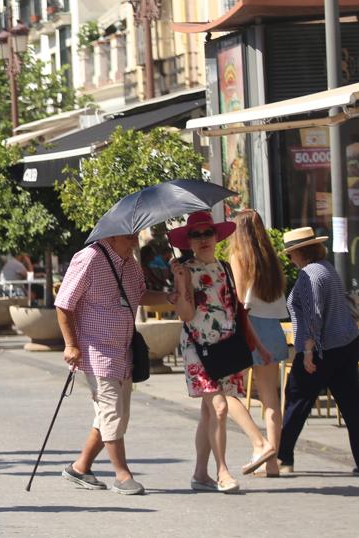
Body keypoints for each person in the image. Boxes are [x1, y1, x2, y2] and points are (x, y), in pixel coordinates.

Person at [55, 232, 184, 496]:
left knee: (117, 415)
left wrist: (169, 296)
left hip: (123, 350)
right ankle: (122, 475)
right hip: (96, 350)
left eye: (135, 237)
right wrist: (70, 345)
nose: (134, 242)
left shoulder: (129, 262)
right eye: (129, 237)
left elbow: (139, 294)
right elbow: (64, 304)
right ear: (112, 236)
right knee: (112, 411)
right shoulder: (89, 259)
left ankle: (80, 467)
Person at [169, 212, 274, 494]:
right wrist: (180, 284)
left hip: (226, 347)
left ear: (216, 236)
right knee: (219, 407)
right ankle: (222, 471)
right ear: (188, 241)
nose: (203, 239)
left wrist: (258, 346)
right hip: (198, 348)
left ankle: (200, 473)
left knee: (208, 412)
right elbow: (187, 314)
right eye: (196, 235)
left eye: (207, 233)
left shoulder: (225, 268)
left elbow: (238, 311)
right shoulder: (185, 270)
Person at [277, 227, 359, 476]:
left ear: (300, 253)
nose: (290, 259)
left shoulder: (309, 275)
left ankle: (283, 459)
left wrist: (307, 351)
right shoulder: (327, 268)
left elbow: (313, 315)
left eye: (291, 254)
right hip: (346, 342)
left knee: (296, 398)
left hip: (322, 348)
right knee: (352, 403)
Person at [228, 209, 289, 477]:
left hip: (249, 328)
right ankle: (272, 462)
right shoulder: (270, 259)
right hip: (273, 329)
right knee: (270, 399)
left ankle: (260, 444)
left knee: (226, 392)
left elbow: (241, 302)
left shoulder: (239, 256)